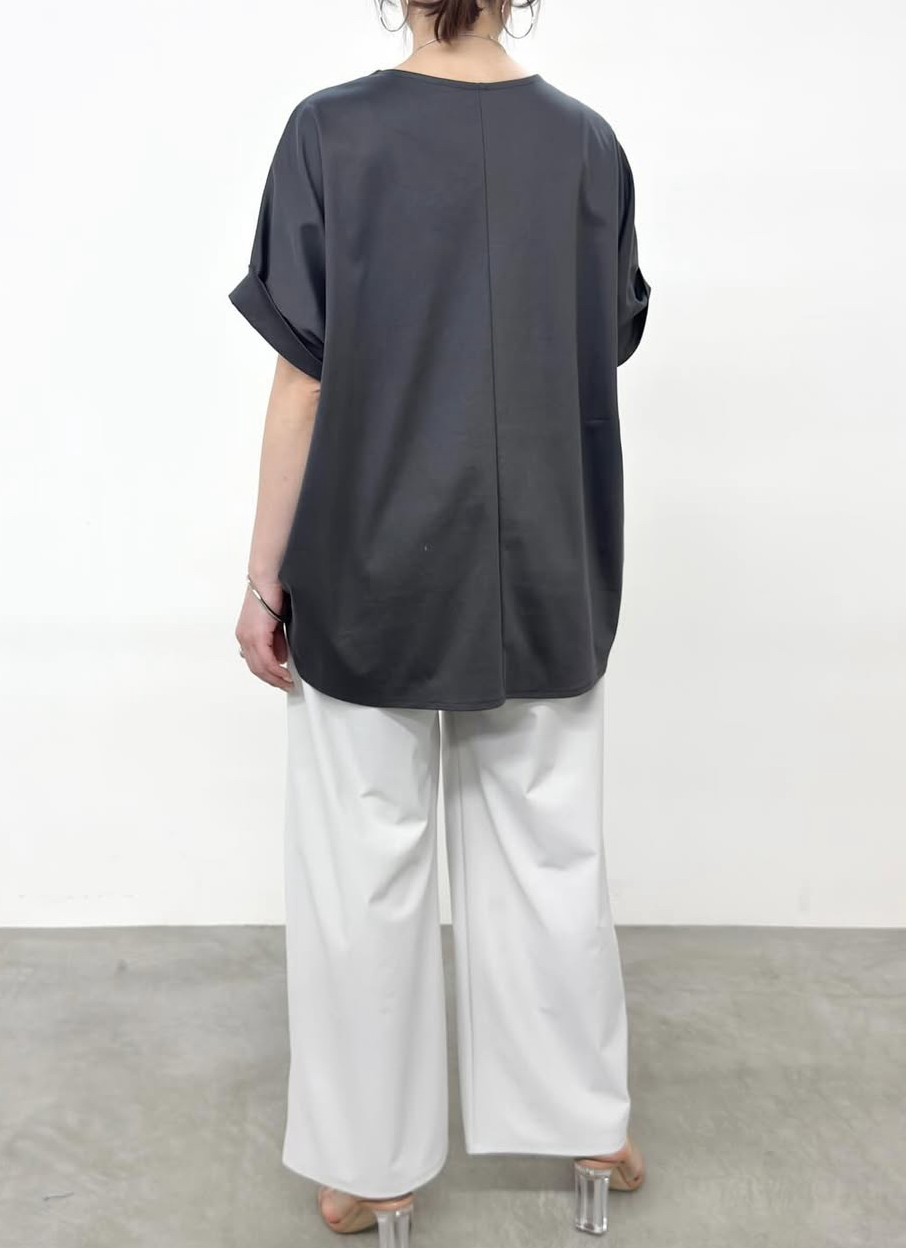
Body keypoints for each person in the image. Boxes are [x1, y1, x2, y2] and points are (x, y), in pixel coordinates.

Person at [228, 0, 650, 1240]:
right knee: (551, 851)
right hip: (544, 558)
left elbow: (302, 373)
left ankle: (373, 1165)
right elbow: (600, 338)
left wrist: (263, 577)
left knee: (365, 866)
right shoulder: (587, 145)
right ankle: (589, 1128)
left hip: (373, 555)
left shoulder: (329, 135)